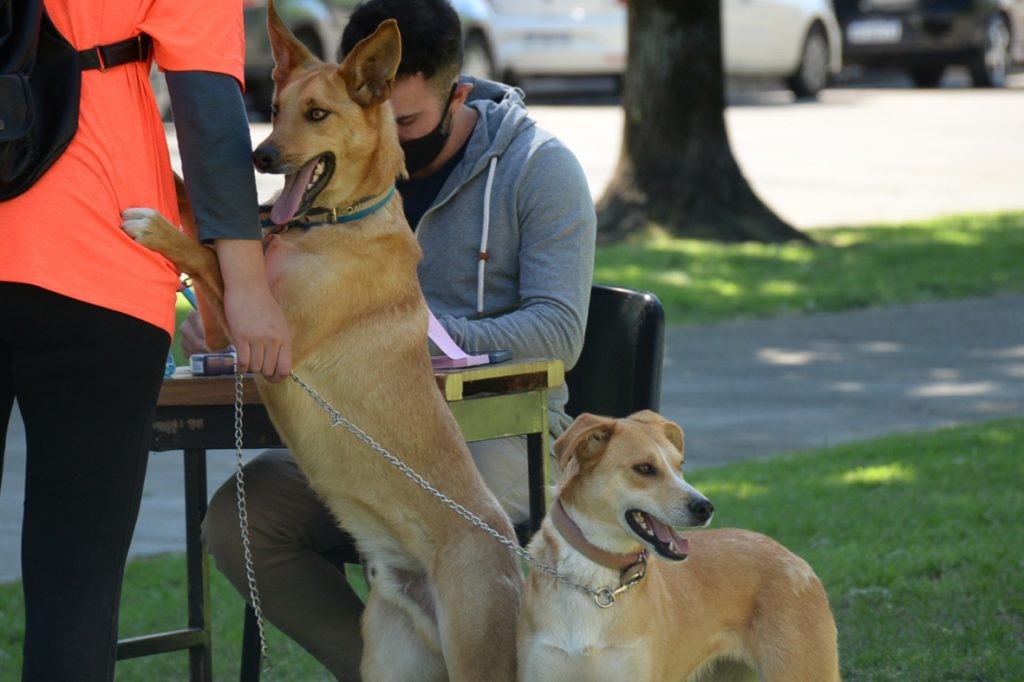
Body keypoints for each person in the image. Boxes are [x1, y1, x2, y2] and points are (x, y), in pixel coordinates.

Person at [197, 0, 596, 677]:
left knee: (469, 538)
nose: (387, 137)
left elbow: (559, 332)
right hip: (367, 432)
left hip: (496, 436)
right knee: (243, 517)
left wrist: (422, 333)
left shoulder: (539, 168)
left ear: (457, 92)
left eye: (405, 120)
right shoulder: (319, 175)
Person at [0, 1, 292, 679]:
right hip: (95, 260)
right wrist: (243, 288)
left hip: (89, 263)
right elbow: (207, 107)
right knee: (72, 592)